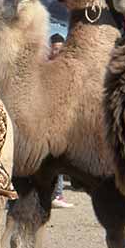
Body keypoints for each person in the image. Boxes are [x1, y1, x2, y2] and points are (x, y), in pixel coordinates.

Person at [45, 34, 73, 208]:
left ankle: (58, 194)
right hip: (47, 119)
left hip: (62, 119)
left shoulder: (67, 68)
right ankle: (55, 195)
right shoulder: (45, 68)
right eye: (55, 48)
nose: (57, 51)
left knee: (58, 158)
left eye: (60, 48)